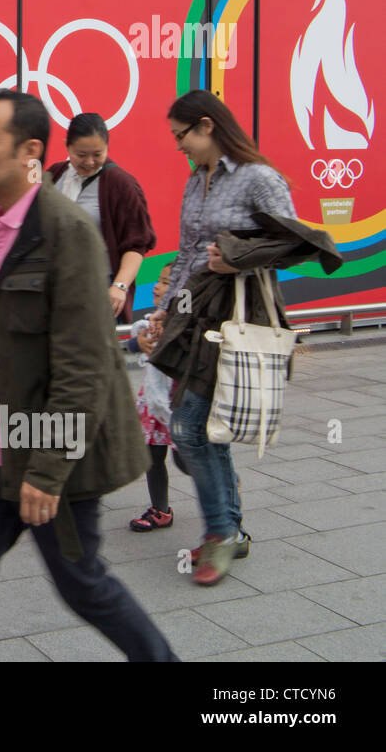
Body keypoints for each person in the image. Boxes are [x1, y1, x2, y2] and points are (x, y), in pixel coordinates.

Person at [0, 88, 176, 662]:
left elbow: (85, 365)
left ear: (29, 151)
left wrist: (45, 470)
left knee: (83, 586)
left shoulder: (66, 232)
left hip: (42, 447)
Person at [145, 90, 294, 586]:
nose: (178, 147)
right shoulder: (195, 182)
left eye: (181, 136)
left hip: (240, 314)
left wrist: (237, 259)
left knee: (190, 426)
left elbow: (295, 242)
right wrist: (164, 312)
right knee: (205, 423)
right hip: (197, 315)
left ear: (207, 126)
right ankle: (228, 528)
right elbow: (187, 253)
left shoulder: (259, 178)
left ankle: (222, 533)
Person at [47, 112, 155, 322]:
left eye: (97, 154)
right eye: (81, 154)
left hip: (98, 296)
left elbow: (137, 244)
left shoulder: (121, 184)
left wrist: (119, 286)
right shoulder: (55, 174)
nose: (89, 162)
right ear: (67, 146)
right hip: (56, 293)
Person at [125, 262, 176, 532]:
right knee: (152, 456)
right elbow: (132, 344)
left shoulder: (186, 327)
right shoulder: (148, 323)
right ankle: (160, 510)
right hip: (152, 403)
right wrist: (139, 343)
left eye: (166, 282)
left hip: (180, 405)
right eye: (159, 280)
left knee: (189, 462)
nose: (157, 286)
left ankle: (226, 483)